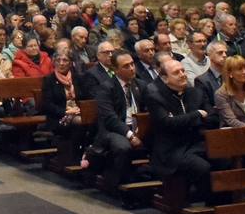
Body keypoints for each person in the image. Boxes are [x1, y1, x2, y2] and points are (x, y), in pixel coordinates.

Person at [144, 57, 215, 204]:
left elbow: (213, 118)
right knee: (202, 168)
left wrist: (183, 120)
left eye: (183, 70)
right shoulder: (156, 97)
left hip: (196, 144)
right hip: (172, 149)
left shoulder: (195, 93)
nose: (183, 74)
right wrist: (196, 115)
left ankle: (225, 204)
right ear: (164, 78)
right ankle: (212, 206)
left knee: (224, 160)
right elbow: (167, 124)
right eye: (176, 72)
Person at [91, 51, 144, 193]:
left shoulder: (140, 85)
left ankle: (150, 180)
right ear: (115, 69)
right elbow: (110, 119)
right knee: (123, 147)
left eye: (132, 64)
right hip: (113, 130)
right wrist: (131, 135)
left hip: (137, 127)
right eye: (126, 66)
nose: (132, 68)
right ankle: (116, 184)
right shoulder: (106, 88)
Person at [214, 55, 245, 128]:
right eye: (240, 69)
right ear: (230, 73)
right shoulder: (221, 94)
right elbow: (231, 120)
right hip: (232, 134)